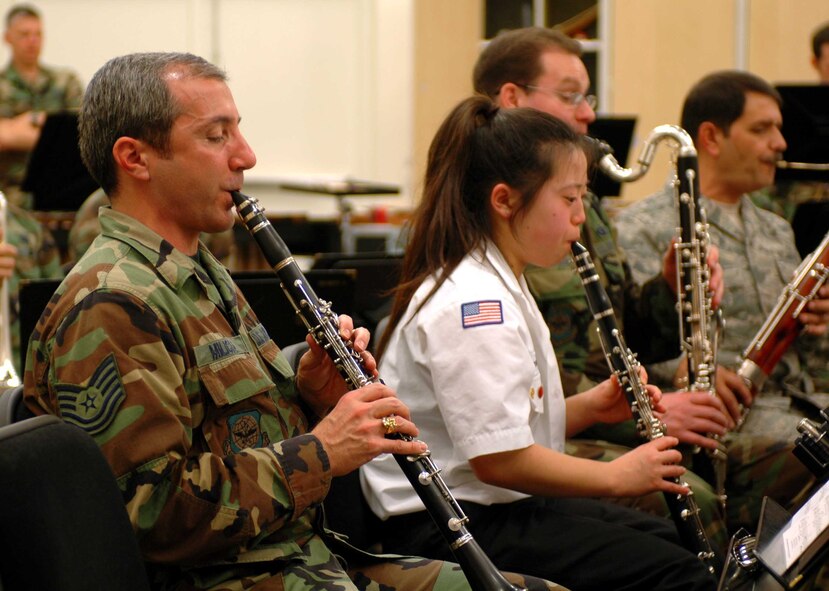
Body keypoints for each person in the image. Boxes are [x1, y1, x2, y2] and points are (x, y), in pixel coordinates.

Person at [20, 52, 559, 591]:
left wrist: (308, 394)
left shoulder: (201, 271)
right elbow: (152, 515)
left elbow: (232, 434)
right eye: (216, 136)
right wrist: (323, 451)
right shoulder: (113, 304)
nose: (246, 156)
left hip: (298, 555)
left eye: (239, 132)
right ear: (135, 157)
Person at [360, 94, 719, 591]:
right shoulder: (475, 305)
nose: (580, 217)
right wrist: (619, 475)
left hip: (487, 506)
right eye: (569, 199)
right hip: (450, 524)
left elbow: (496, 428)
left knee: (672, 545)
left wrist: (592, 406)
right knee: (678, 572)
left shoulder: (502, 277)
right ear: (504, 201)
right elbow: (497, 460)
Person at [471, 25, 731, 551]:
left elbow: (628, 329)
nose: (589, 113)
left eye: (587, 97)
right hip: (533, 444)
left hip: (587, 415)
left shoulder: (582, 207)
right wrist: (649, 415)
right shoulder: (474, 218)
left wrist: (668, 287)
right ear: (512, 99)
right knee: (688, 494)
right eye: (571, 97)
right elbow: (507, 385)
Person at [614, 69, 822, 519]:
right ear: (710, 137)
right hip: (723, 421)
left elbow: (805, 353)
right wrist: (679, 372)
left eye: (779, 129)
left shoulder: (776, 228)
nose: (781, 143)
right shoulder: (642, 226)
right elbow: (633, 337)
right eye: (761, 129)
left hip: (800, 405)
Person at [0, 3, 83, 209]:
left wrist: (23, 124)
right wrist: (55, 129)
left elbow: (83, 131)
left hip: (64, 188)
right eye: (24, 34)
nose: (32, 41)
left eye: (38, 34)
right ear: (8, 38)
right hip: (12, 192)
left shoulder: (64, 81)